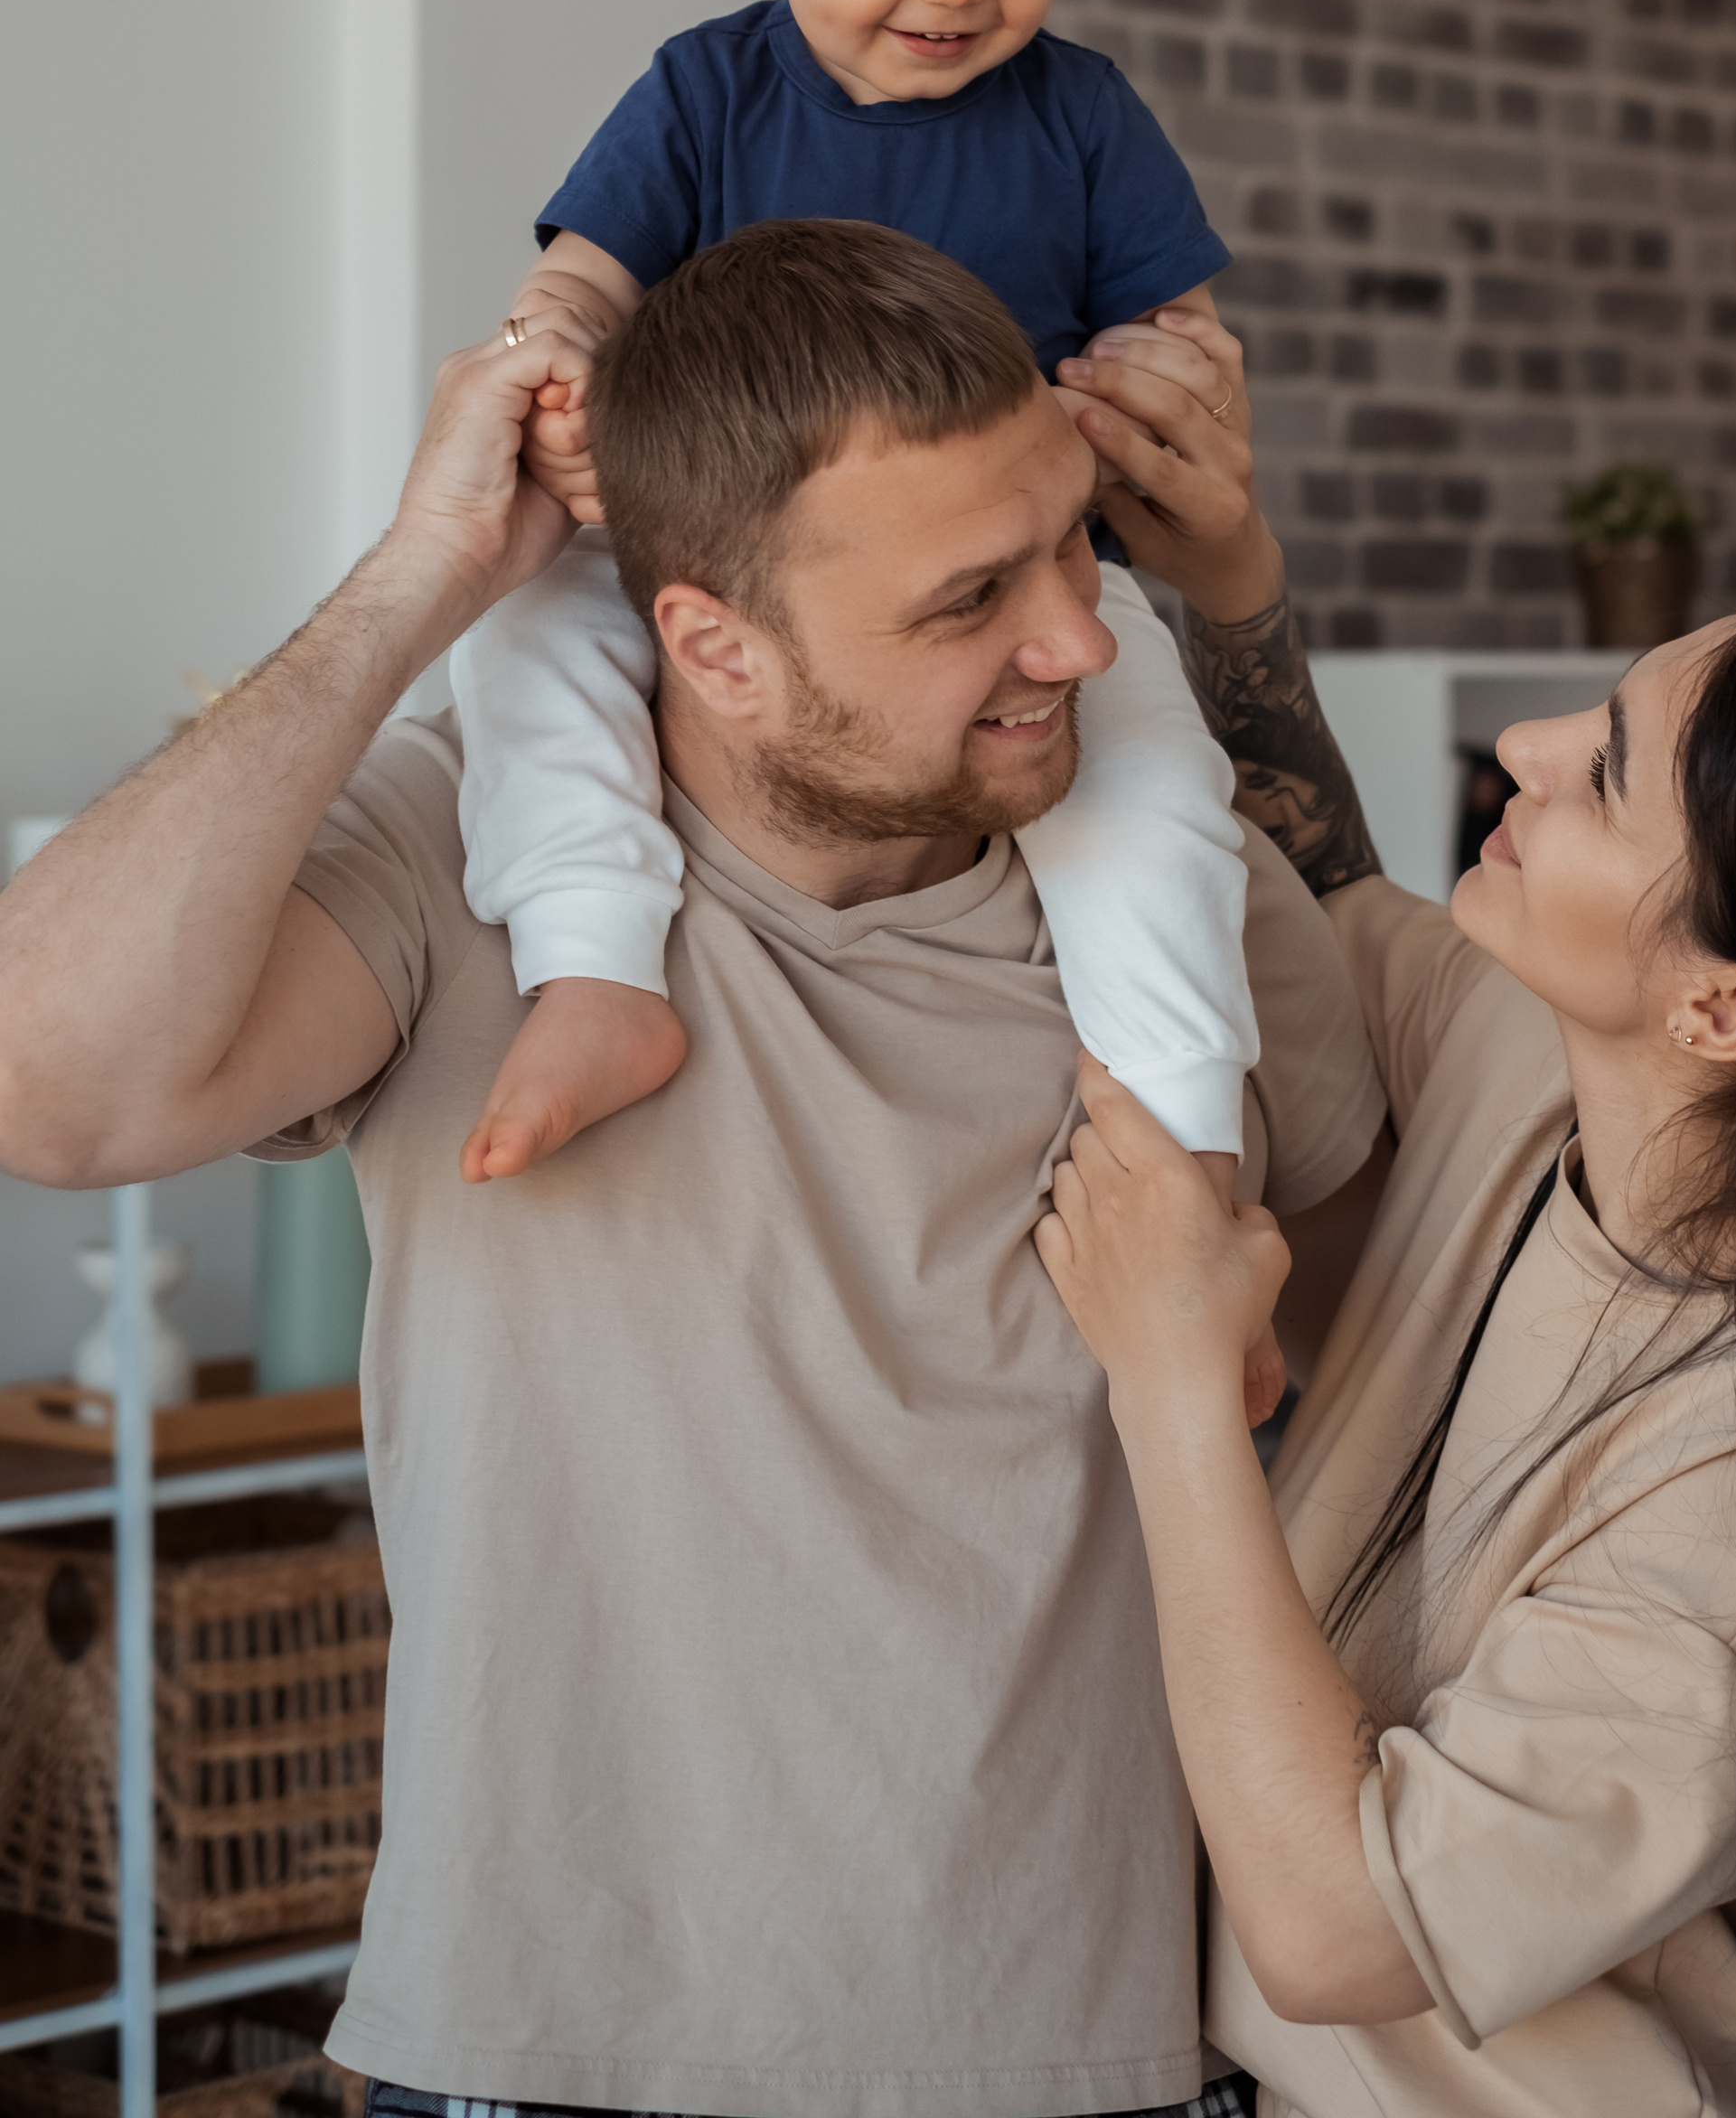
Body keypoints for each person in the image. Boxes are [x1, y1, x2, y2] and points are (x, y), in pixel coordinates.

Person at [0, 226, 1386, 2118]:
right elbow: (48, 1096)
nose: (1072, 637)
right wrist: (423, 575)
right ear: (711, 647)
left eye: (1071, 543)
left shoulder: (1179, 903)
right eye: (968, 596)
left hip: (1082, 2057)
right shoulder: (461, 855)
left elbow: (1362, 1369)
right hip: (525, 2055)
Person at [1035, 427, 1736, 2118]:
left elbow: (1336, 1930)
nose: (1524, 748)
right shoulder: (1535, 1053)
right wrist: (1229, 589)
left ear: (1724, 1008)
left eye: (1606, 769)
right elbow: (1328, 892)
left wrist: (1173, 1381)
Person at [450, 0, 1259, 1351]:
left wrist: (1172, 386)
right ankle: (596, 964)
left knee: (1161, 806)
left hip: (1034, 580)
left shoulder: (1085, 116)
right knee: (521, 643)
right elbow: (585, 282)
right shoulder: (703, 91)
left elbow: (1175, 332)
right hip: (715, 555)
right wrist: (556, 366)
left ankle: (1190, 1158)